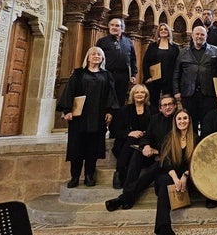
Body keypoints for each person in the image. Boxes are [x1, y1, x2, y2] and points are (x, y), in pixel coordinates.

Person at [56, 46, 118, 188]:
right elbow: (69, 91)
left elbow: (111, 95)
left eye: (99, 55)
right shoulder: (78, 74)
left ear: (102, 58)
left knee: (92, 147)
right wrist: (67, 110)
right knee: (77, 147)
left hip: (97, 116)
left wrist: (109, 111)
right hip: (79, 117)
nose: (96, 56)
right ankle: (75, 177)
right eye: (93, 54)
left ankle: (89, 175)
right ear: (88, 57)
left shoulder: (107, 75)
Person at [105, 94, 176, 211]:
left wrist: (159, 152)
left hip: (170, 157)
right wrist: (146, 146)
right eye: (165, 105)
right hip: (154, 153)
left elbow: (179, 144)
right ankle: (127, 194)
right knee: (137, 154)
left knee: (153, 170)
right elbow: (147, 137)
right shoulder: (155, 119)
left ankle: (125, 198)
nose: (167, 107)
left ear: (174, 106)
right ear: (160, 108)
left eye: (170, 104)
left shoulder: (179, 118)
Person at [153, 108, 197, 235]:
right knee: (165, 182)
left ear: (189, 121)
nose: (182, 121)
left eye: (185, 118)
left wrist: (185, 176)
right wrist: (175, 178)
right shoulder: (169, 137)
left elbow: (197, 162)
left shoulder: (195, 138)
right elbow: (165, 161)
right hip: (170, 176)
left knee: (166, 184)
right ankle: (163, 227)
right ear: (175, 121)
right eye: (179, 118)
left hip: (189, 179)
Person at [173, 26, 217, 133]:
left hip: (209, 95)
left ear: (206, 36)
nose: (199, 36)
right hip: (189, 95)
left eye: (202, 34)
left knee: (208, 124)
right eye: (197, 34)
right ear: (192, 36)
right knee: (190, 125)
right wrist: (176, 91)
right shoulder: (182, 52)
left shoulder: (216, 51)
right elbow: (177, 73)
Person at [110, 84, 151, 189]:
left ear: (146, 95)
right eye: (137, 92)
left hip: (145, 142)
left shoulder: (152, 110)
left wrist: (145, 134)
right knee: (132, 138)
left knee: (135, 142)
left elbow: (155, 129)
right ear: (132, 95)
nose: (139, 94)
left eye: (142, 92)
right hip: (126, 143)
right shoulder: (124, 110)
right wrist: (129, 133)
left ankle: (120, 171)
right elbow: (114, 130)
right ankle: (122, 171)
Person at [96, 18, 138, 108]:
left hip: (123, 76)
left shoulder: (128, 42)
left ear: (122, 29)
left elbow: (133, 59)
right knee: (106, 100)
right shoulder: (102, 42)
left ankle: (118, 121)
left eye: (117, 25)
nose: (114, 27)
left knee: (120, 101)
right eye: (112, 25)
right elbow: (96, 58)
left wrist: (134, 75)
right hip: (107, 75)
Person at [142, 23, 180, 113]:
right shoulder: (152, 46)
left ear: (169, 32)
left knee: (169, 103)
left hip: (169, 80)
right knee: (153, 104)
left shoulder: (175, 47)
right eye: (161, 29)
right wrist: (148, 77)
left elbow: (178, 65)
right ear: (158, 32)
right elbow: (145, 62)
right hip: (154, 80)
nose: (163, 31)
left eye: (165, 29)